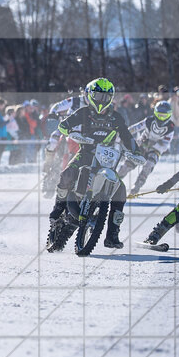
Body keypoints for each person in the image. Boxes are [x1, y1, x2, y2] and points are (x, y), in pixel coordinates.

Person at [48, 78, 141, 250]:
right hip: (85, 153)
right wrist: (68, 130)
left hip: (107, 158)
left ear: (111, 98)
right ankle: (58, 210)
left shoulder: (116, 117)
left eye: (106, 97)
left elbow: (128, 137)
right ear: (90, 95)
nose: (101, 100)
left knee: (120, 191)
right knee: (67, 174)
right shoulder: (84, 112)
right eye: (98, 96)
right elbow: (65, 125)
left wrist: (136, 152)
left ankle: (112, 235)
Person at [120, 100, 176, 195]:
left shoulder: (170, 127)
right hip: (142, 144)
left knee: (149, 165)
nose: (161, 118)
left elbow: (165, 144)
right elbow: (136, 127)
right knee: (129, 163)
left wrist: (153, 145)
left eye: (164, 116)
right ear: (155, 113)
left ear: (169, 115)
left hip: (156, 149)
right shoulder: (149, 121)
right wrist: (124, 132)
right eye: (159, 115)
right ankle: (115, 180)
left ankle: (137, 187)